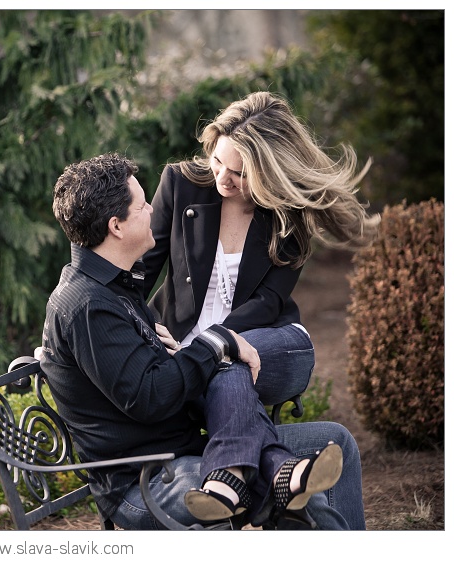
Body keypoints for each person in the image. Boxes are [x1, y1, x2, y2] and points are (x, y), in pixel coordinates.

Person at [38, 152, 366, 530]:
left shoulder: (116, 286)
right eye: (142, 205)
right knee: (304, 500)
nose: (152, 210)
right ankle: (269, 476)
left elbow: (152, 378)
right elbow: (152, 396)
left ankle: (267, 473)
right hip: (149, 479)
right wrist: (215, 343)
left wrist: (192, 357)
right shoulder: (88, 306)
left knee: (334, 441)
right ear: (117, 226)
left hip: (188, 450)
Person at [144, 91, 382, 410]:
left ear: (268, 172)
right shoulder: (179, 183)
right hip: (177, 339)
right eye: (217, 161)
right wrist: (143, 322)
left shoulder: (288, 215)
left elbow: (268, 301)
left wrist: (213, 342)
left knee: (231, 368)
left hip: (253, 336)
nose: (222, 179)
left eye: (240, 174)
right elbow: (142, 269)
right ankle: (278, 460)